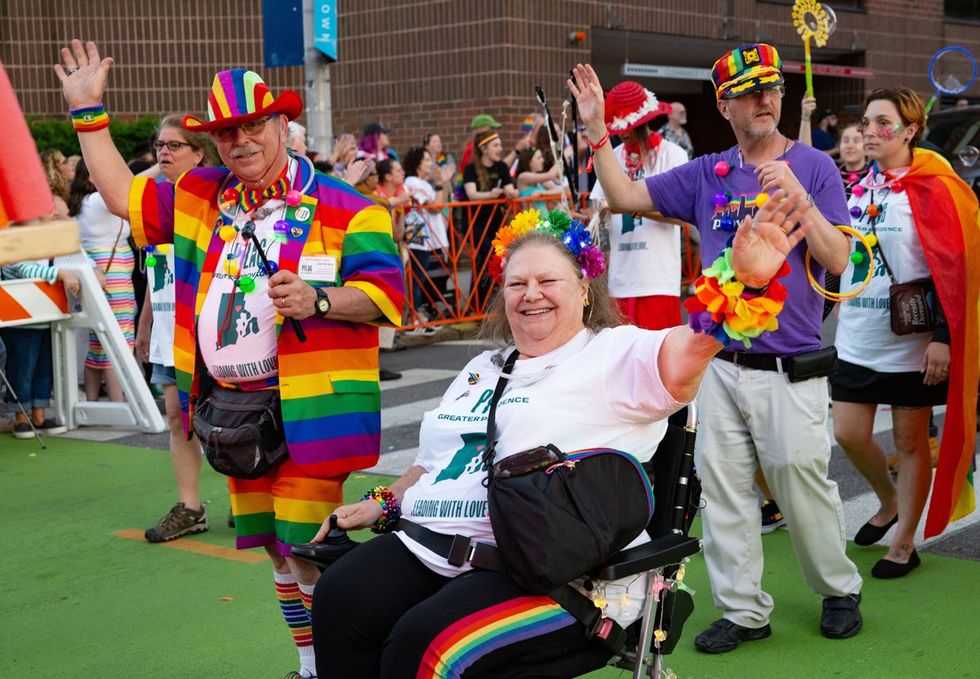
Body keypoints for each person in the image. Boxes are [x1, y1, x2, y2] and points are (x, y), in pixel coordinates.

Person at [310, 190, 815, 677]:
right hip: (435, 546)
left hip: (555, 571)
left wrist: (743, 285)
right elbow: (432, 464)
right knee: (341, 598)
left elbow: (692, 350)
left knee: (422, 647)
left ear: (583, 288)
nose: (531, 294)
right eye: (516, 283)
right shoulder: (484, 367)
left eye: (548, 280)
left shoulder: (615, 354)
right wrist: (384, 501)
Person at [56, 40, 404, 679]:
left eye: (252, 125)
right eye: (226, 132)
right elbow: (117, 197)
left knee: (307, 552)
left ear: (279, 125)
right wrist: (88, 112)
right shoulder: (199, 196)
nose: (241, 140)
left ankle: (342, 666)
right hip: (232, 415)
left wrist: (319, 298)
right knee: (275, 553)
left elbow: (386, 295)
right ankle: (308, 665)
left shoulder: (348, 206)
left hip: (308, 414)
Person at [570, 44, 864, 653]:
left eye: (773, 89)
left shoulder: (814, 166)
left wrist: (803, 202)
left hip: (791, 364)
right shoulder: (707, 172)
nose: (766, 99)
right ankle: (744, 609)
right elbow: (625, 197)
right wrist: (598, 131)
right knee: (723, 489)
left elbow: (841, 262)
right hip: (718, 363)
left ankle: (838, 588)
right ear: (725, 104)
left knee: (799, 479)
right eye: (752, 91)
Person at [831, 87, 979, 579]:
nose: (869, 132)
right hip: (856, 338)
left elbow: (956, 271)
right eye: (867, 123)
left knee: (912, 442)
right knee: (848, 433)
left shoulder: (937, 188)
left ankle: (905, 541)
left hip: (912, 348)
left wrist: (943, 337)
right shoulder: (853, 188)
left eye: (881, 123)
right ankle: (889, 499)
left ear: (910, 130)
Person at [135, 114, 218, 543]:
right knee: (176, 416)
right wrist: (145, 322)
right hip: (168, 328)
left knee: (230, 415)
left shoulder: (214, 201)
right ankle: (190, 507)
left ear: (199, 153)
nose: (163, 152)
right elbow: (157, 270)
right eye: (159, 146)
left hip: (211, 330)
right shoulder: (155, 201)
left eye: (174, 146)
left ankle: (253, 499)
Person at [589, 81, 688, 331]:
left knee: (658, 363)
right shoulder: (610, 157)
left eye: (628, 127)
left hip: (658, 279)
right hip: (620, 279)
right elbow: (599, 214)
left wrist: (629, 206)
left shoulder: (673, 155)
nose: (623, 133)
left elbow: (682, 216)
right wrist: (589, 220)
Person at [67, 159, 136, 403]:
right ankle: (119, 404)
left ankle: (93, 400)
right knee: (118, 338)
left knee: (99, 340)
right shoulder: (98, 201)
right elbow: (133, 186)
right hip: (113, 275)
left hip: (100, 272)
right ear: (91, 178)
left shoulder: (82, 204)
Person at [1, 260, 79, 438]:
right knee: (22, 372)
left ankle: (39, 416)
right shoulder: (13, 256)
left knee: (45, 371)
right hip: (20, 328)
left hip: (47, 322)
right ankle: (21, 418)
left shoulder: (49, 255)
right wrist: (61, 273)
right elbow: (25, 269)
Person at [462, 130, 518, 309]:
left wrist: (510, 192)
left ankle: (492, 303)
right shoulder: (470, 169)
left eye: (500, 145)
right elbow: (472, 194)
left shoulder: (501, 166)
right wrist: (490, 195)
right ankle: (477, 305)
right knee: (484, 258)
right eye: (496, 145)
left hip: (496, 220)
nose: (500, 149)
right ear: (484, 148)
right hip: (476, 221)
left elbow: (511, 189)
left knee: (497, 259)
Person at [402, 146, 450, 324]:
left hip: (428, 237)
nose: (431, 164)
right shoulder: (413, 183)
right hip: (417, 237)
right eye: (427, 160)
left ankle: (420, 313)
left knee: (425, 278)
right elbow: (435, 207)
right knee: (416, 278)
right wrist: (442, 183)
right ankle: (415, 316)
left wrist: (441, 184)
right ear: (417, 163)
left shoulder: (423, 184)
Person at [515, 147, 563, 212]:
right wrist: (562, 158)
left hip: (544, 220)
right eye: (539, 158)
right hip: (532, 221)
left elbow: (560, 190)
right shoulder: (523, 176)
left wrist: (544, 193)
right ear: (529, 162)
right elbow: (550, 175)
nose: (543, 160)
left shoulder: (539, 179)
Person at [837, 121, 870, 198]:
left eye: (857, 141)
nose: (849, 146)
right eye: (845, 141)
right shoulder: (831, 174)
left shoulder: (875, 177)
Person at [40, 148, 72, 218]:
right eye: (65, 161)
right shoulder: (56, 202)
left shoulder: (56, 196)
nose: (70, 163)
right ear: (54, 170)